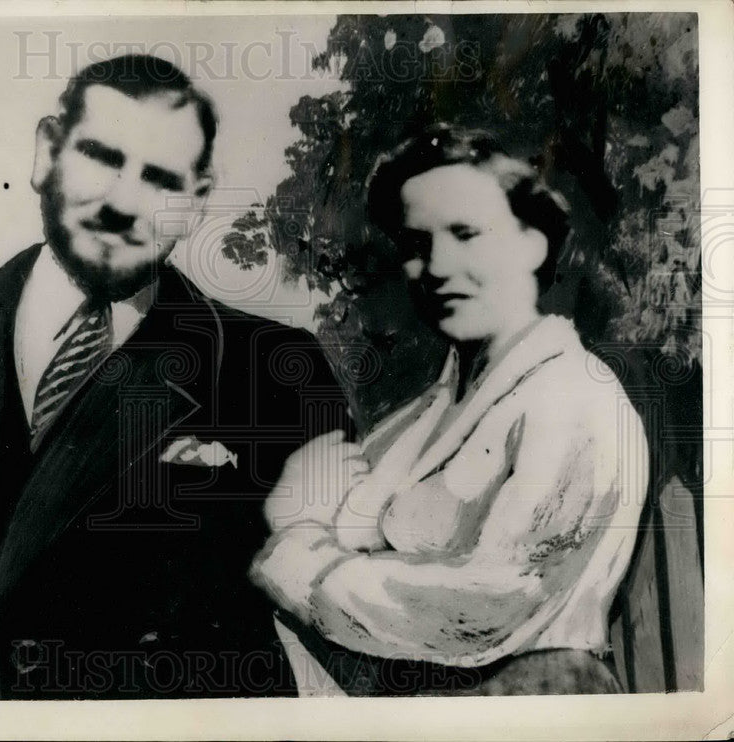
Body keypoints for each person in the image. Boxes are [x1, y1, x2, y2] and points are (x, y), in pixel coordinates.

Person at [0, 54, 350, 700]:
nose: (122, 203)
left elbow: (338, 610)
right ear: (46, 151)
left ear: (196, 202)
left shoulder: (279, 368)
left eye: (160, 179)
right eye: (102, 158)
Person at [250, 123, 649, 696]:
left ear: (534, 240)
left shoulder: (579, 399)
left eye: (466, 233)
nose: (437, 266)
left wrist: (301, 559)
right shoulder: (412, 423)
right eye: (416, 245)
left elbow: (489, 605)